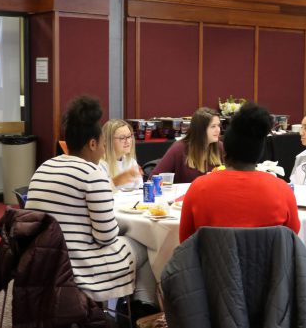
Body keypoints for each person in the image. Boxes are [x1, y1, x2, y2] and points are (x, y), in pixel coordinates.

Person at [24, 96, 157, 313]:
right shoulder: (92, 173)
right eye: (104, 144)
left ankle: (137, 310)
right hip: (80, 268)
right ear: (92, 144)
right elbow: (106, 237)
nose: (104, 151)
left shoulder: (45, 167)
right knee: (147, 245)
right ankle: (143, 309)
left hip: (41, 263)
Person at [179, 103, 300, 242]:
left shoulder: (198, 188)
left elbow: (185, 243)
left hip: (212, 263)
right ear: (259, 154)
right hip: (268, 264)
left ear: (225, 151)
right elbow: (292, 241)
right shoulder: (282, 190)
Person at [151, 107, 224, 183]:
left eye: (218, 125)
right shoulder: (179, 148)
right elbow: (154, 178)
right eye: (213, 126)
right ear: (200, 130)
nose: (218, 130)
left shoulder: (219, 147)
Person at [99, 119, 143, 190]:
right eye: (122, 138)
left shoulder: (131, 162)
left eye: (129, 136)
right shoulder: (100, 165)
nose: (128, 141)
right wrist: (116, 181)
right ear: (107, 141)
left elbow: (139, 188)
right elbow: (99, 192)